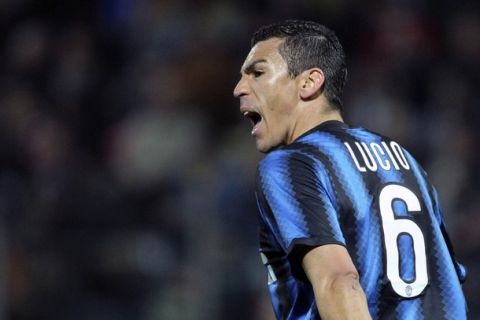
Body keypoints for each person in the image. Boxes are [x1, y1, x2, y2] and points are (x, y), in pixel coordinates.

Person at [233, 19, 468, 320]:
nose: (239, 88)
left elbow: (338, 281)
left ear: (308, 82)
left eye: (258, 72)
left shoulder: (294, 163)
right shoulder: (405, 162)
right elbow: (446, 280)